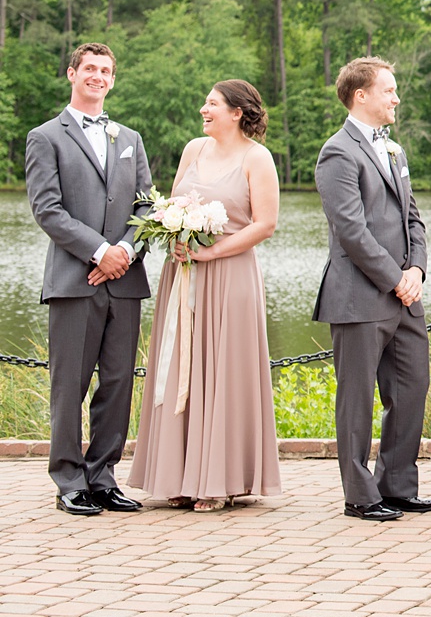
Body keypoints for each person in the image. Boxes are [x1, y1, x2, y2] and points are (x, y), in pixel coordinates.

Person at [129, 80, 284, 510]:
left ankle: (220, 480)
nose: (204, 109)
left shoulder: (258, 158)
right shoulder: (193, 150)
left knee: (222, 370)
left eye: (212, 104)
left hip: (231, 277)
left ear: (237, 113)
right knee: (181, 366)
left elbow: (264, 224)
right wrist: (174, 235)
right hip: (183, 275)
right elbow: (173, 206)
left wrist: (214, 251)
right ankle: (179, 476)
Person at [24, 42, 154, 516]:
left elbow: (147, 206)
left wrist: (125, 250)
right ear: (72, 74)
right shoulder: (45, 136)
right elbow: (47, 209)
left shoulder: (130, 139)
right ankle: (69, 480)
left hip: (125, 280)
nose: (98, 76)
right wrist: (100, 251)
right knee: (69, 384)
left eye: (106, 70)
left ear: (113, 80)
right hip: (74, 281)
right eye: (90, 69)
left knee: (118, 382)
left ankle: (103, 477)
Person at [313, 57, 431, 521]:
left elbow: (414, 220)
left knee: (411, 388)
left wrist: (418, 272)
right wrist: (396, 279)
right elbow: (351, 230)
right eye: (389, 90)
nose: (396, 98)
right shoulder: (337, 152)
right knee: (357, 399)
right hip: (359, 296)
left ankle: (399, 486)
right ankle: (360, 495)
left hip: (406, 296)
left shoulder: (394, 150)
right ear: (360, 95)